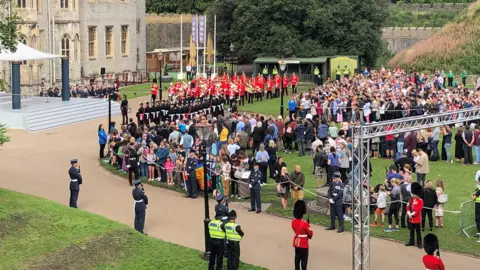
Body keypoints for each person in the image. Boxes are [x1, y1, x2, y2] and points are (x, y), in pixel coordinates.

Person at [292, 200, 313, 270]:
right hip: (303, 244)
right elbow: (310, 233)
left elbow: (296, 228)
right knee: (304, 261)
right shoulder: (305, 223)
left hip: (296, 243)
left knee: (297, 258)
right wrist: (308, 224)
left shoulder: (293, 222)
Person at [406, 182, 424, 249]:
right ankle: (411, 241)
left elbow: (418, 209)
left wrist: (412, 214)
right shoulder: (411, 200)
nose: (414, 195)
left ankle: (419, 243)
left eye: (415, 194)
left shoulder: (420, 201)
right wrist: (408, 213)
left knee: (418, 232)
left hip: (416, 219)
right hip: (411, 219)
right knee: (411, 231)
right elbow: (407, 206)